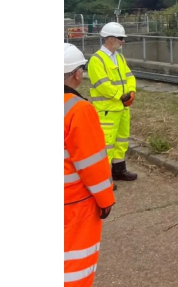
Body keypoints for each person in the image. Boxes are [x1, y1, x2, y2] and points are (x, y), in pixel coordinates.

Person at [64, 44, 115, 287]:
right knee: (74, 263)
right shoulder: (78, 110)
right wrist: (105, 200)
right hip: (73, 202)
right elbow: (91, 164)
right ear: (77, 73)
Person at [87, 22, 138, 184]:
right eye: (120, 38)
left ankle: (118, 170)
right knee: (106, 144)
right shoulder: (97, 60)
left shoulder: (119, 57)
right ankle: (104, 177)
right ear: (110, 38)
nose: (122, 41)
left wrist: (131, 92)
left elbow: (129, 76)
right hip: (107, 109)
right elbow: (102, 85)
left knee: (121, 140)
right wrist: (120, 96)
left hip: (122, 107)